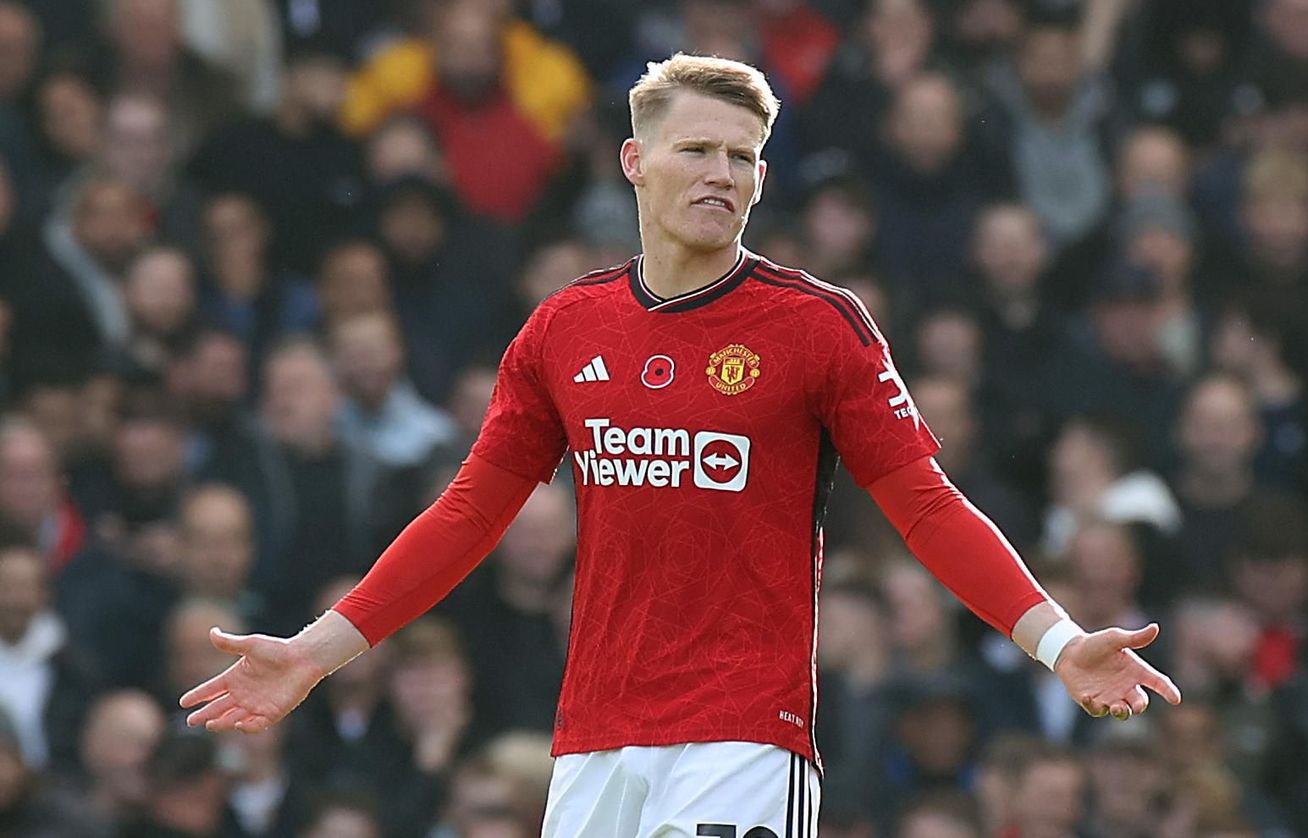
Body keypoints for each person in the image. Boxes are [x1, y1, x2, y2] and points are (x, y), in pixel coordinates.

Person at [180, 54, 1180, 836]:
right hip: (593, 746)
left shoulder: (819, 325)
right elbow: (468, 512)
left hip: (744, 738)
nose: (723, 174)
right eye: (699, 149)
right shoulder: (563, 330)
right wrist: (317, 650)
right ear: (634, 161)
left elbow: (925, 504)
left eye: (743, 157)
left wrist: (1055, 639)